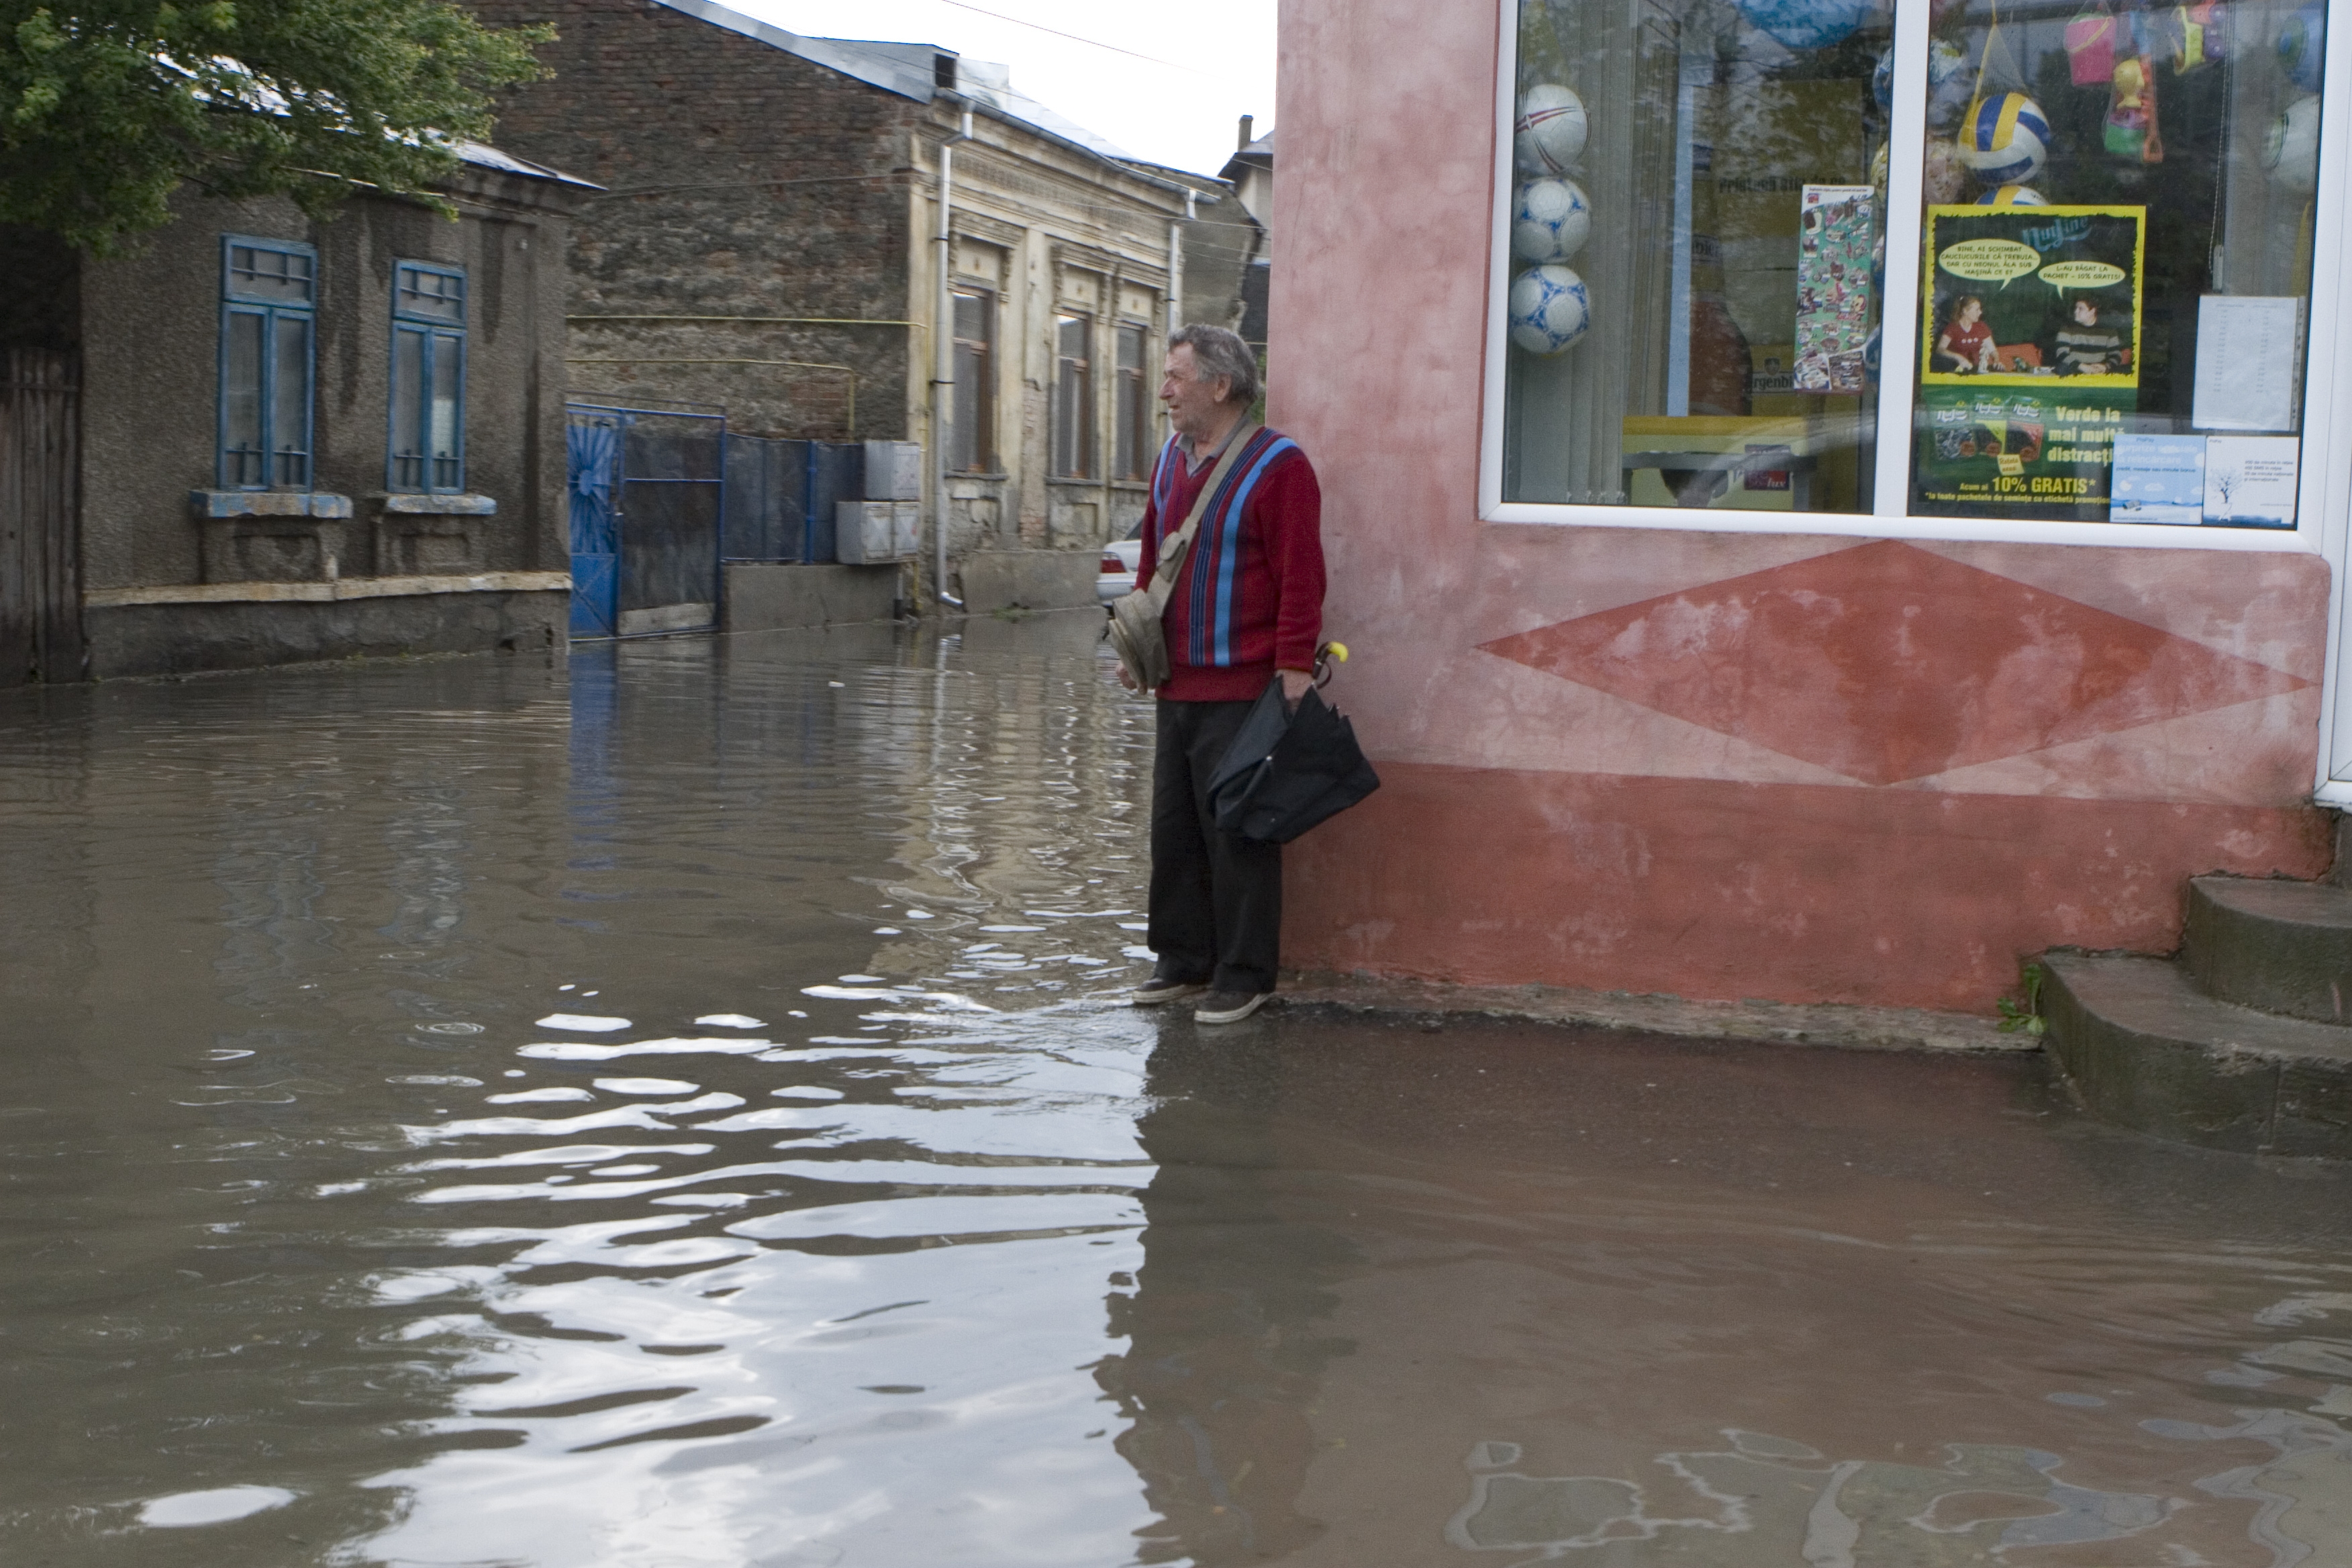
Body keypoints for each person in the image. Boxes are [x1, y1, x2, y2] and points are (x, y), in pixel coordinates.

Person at [1118, 325, 1325, 1026]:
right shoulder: (1169, 463)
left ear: (1220, 384)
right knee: (1173, 830)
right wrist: (1132, 646)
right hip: (1176, 684)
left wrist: (1294, 665)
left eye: (1176, 376)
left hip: (1245, 687)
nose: (1166, 390)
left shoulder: (1280, 466)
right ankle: (1182, 959)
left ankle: (1243, 972)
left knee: (1237, 832)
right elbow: (1153, 563)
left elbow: (1303, 573)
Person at [2047, 294, 2126, 375]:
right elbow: (2061, 352)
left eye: (2080, 309)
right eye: (2076, 308)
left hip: (2099, 372)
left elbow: (2116, 355)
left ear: (2092, 311)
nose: (2076, 311)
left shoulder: (2109, 330)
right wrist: (2082, 367)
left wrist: (2105, 367)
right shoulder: (2067, 328)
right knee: (2062, 369)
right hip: (2074, 370)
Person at [1934, 294, 1996, 374]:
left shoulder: (1982, 327)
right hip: (1958, 371)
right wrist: (1958, 357)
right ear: (1965, 311)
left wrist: (1996, 361)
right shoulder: (1952, 328)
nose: (1980, 312)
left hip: (1978, 370)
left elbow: (1992, 350)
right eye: (1977, 310)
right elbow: (1940, 349)